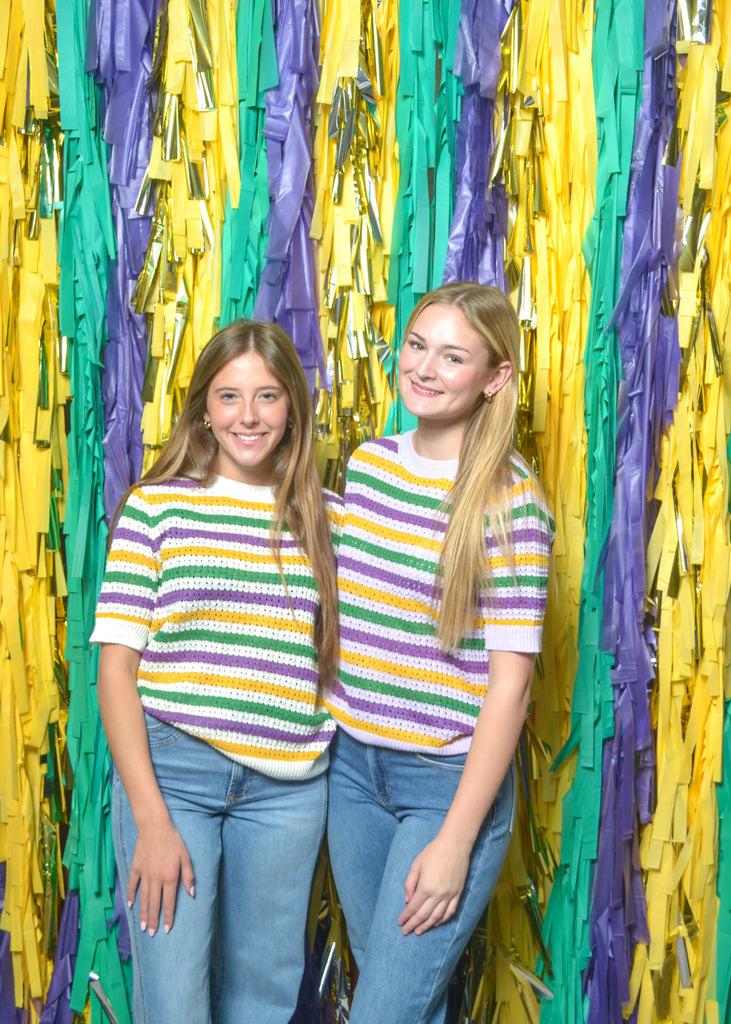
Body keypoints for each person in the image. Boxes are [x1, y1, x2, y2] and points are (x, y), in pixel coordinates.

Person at [91, 320, 341, 1024]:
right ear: (204, 406)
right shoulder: (157, 506)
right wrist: (152, 822)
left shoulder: (325, 520)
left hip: (288, 792)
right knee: (174, 1003)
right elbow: (116, 670)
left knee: (261, 1000)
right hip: (175, 780)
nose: (248, 416)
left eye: (266, 396)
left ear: (292, 405)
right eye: (229, 396)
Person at [326, 282, 554, 1023]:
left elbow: (510, 692)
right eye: (416, 346)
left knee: (386, 1014)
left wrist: (456, 840)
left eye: (451, 356)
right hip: (352, 775)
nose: (423, 369)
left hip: (446, 789)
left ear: (494, 378)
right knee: (400, 1004)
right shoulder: (368, 466)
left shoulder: (509, 502)